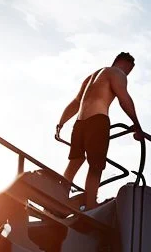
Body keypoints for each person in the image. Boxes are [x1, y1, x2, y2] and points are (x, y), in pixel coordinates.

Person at [56, 52, 143, 210]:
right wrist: (137, 125)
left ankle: (57, 198)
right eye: (128, 70)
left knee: (75, 161)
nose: (128, 73)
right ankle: (90, 205)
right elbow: (124, 99)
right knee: (96, 166)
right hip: (97, 121)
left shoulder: (92, 77)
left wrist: (61, 123)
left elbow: (76, 103)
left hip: (79, 124)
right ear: (124, 65)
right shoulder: (117, 73)